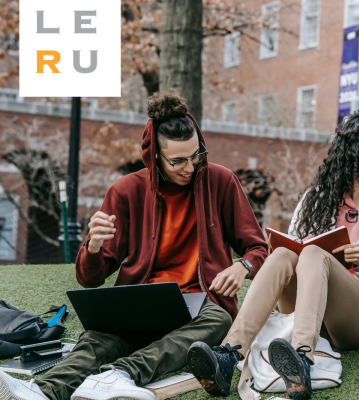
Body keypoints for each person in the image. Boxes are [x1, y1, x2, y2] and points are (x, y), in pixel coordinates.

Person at [0, 90, 268, 400]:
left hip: (199, 303)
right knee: (98, 339)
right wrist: (95, 246)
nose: (190, 167)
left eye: (197, 155)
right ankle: (42, 391)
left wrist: (242, 265)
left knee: (219, 320)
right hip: (142, 301)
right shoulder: (126, 191)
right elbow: (90, 279)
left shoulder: (221, 181)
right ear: (154, 155)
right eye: (178, 160)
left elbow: (258, 247)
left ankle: (120, 374)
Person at [185, 109, 359, 399]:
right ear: (354, 147)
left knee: (314, 255)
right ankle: (228, 355)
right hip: (306, 310)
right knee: (286, 254)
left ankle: (301, 359)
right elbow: (292, 253)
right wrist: (297, 245)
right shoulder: (317, 198)